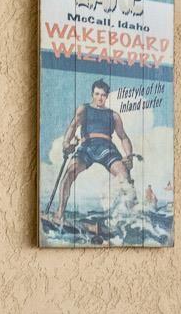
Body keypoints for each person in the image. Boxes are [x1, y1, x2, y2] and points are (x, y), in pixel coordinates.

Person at [49, 79, 137, 221]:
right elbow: (72, 127)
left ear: (107, 96)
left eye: (103, 95)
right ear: (92, 94)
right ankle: (60, 213)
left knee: (125, 177)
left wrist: (129, 156)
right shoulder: (84, 109)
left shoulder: (114, 115)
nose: (99, 98)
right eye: (97, 94)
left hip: (107, 148)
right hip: (87, 147)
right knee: (68, 175)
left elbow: (123, 137)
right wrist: (66, 143)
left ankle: (134, 217)